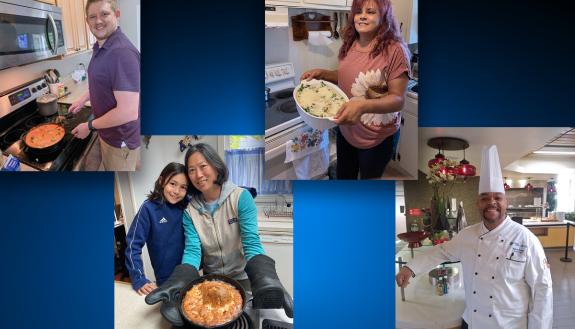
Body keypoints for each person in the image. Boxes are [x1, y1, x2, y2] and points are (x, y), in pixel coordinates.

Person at [395, 145, 553, 329]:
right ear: (478, 203)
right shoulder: (467, 235)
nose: (492, 202)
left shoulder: (526, 239)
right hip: (473, 323)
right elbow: (441, 252)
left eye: (498, 197)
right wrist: (410, 268)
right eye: (485, 198)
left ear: (505, 202)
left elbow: (542, 290)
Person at [145, 143, 293, 327]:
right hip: (210, 281)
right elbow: (192, 250)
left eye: (203, 166)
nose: (198, 175)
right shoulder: (189, 211)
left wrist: (266, 276)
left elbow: (251, 244)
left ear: (215, 166)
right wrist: (180, 279)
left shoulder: (241, 198)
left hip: (243, 280)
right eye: (191, 170)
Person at [301, 0, 410, 179]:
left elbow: (398, 99)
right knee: (345, 177)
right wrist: (323, 74)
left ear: (384, 17)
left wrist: (362, 106)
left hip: (376, 137)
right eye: (358, 11)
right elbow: (349, 76)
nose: (362, 16)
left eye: (370, 11)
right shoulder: (351, 43)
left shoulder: (395, 50)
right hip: (346, 129)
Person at [70, 0, 140, 171]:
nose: (98, 21)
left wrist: (89, 126)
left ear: (117, 15)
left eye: (104, 14)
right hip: (108, 131)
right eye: (92, 16)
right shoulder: (101, 46)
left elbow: (128, 112)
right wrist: (82, 98)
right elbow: (101, 82)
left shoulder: (121, 53)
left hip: (119, 140)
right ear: (87, 22)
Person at [124, 162, 188, 296]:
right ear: (161, 181)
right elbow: (132, 245)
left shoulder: (188, 205)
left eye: (183, 187)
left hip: (192, 272)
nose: (176, 191)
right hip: (166, 279)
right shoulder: (148, 209)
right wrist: (138, 278)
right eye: (172, 184)